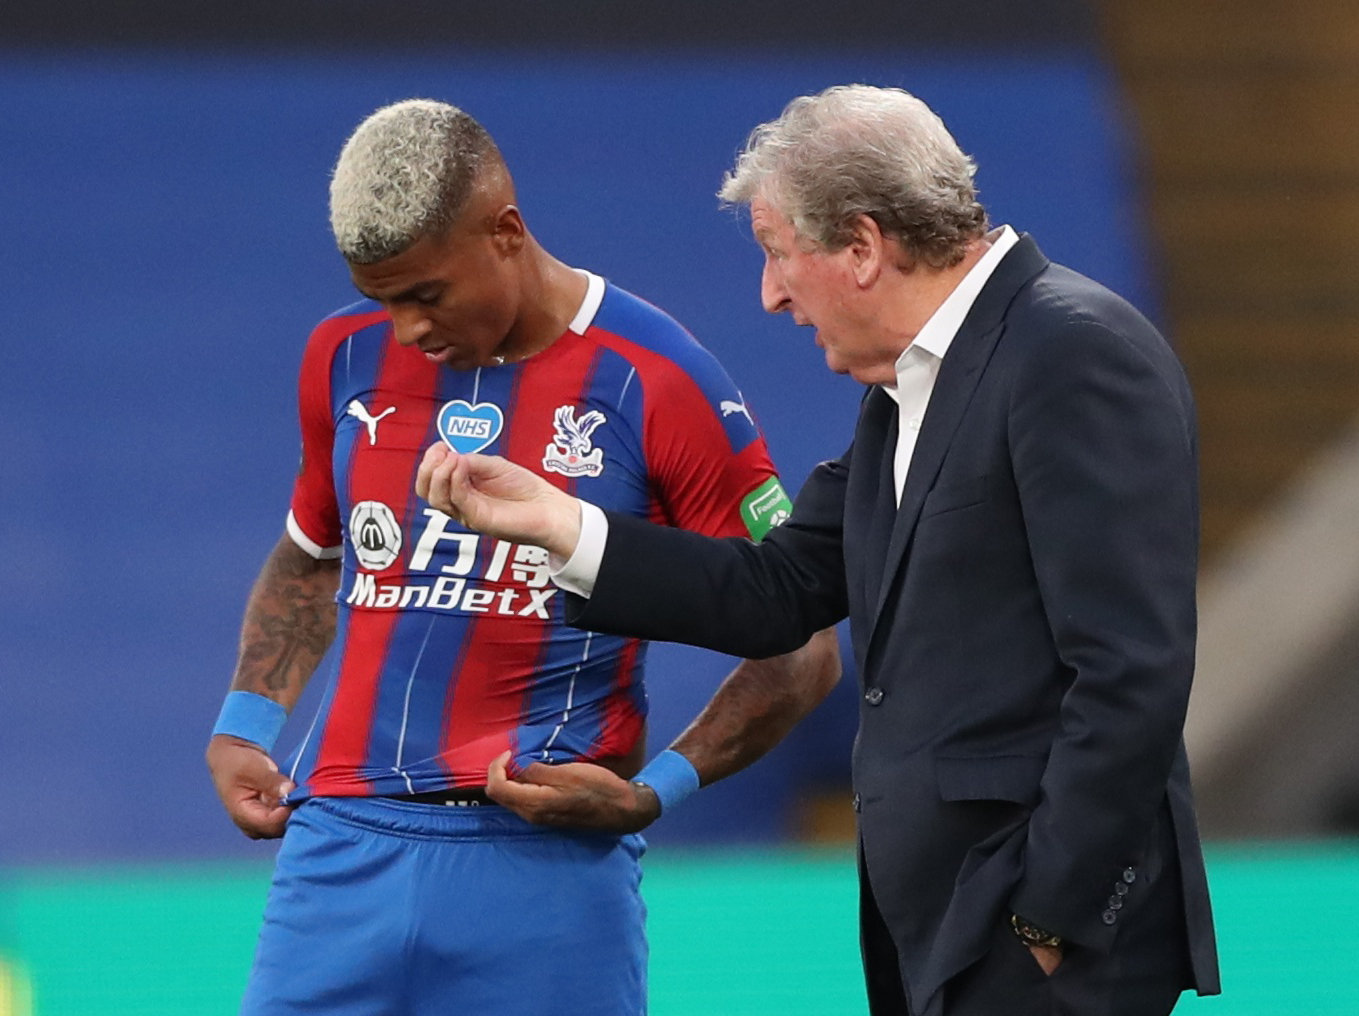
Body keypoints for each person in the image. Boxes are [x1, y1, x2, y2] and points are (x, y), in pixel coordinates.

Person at [417, 85, 1221, 1016]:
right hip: (946, 925)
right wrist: (561, 523)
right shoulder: (914, 382)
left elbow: (1130, 669)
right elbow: (780, 586)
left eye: (775, 251)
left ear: (863, 246)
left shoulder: (1072, 353)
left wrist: (1048, 919)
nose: (770, 294)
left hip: (1040, 931)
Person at [205, 98, 840, 1016]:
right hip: (337, 851)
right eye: (384, 300)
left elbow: (801, 644)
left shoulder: (656, 377)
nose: (406, 329)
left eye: (426, 295)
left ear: (505, 232)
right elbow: (313, 554)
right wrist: (245, 721)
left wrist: (654, 792)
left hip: (547, 870)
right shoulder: (344, 355)